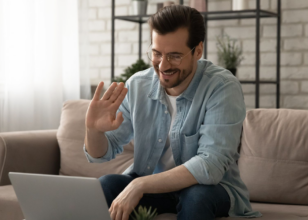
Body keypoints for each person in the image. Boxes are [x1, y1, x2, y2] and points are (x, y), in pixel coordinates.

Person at [84, 5, 261, 220]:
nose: (163, 65)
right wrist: (93, 130)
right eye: (157, 53)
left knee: (196, 197)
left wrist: (140, 184)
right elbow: (102, 154)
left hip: (210, 189)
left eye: (175, 56)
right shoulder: (138, 85)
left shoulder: (222, 87)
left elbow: (211, 165)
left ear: (198, 50)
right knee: (107, 185)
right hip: (153, 185)